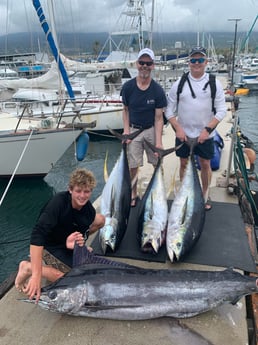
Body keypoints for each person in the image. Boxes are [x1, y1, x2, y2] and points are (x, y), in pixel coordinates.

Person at [15, 168, 105, 302]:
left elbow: (82, 231)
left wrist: (78, 244)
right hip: (48, 244)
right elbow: (37, 236)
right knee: (72, 280)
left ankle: (60, 255)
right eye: (78, 191)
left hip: (65, 241)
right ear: (70, 190)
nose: (82, 196)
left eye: (87, 191)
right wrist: (36, 275)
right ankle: (27, 268)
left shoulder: (88, 211)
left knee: (100, 220)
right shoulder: (58, 203)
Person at [165, 46, 227, 211]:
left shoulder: (214, 83)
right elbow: (169, 110)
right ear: (189, 62)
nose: (197, 63)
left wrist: (207, 130)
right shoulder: (179, 84)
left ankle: (205, 194)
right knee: (183, 163)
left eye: (200, 60)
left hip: (205, 135)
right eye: (193, 60)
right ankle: (186, 193)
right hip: (183, 133)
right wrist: (177, 128)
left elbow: (221, 110)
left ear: (206, 62)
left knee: (205, 164)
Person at [121, 47, 167, 207]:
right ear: (137, 64)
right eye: (142, 62)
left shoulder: (158, 90)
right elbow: (125, 110)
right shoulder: (127, 87)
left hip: (150, 130)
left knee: (157, 163)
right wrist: (126, 131)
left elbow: (159, 118)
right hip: (133, 131)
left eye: (148, 63)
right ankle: (134, 193)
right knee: (133, 165)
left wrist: (159, 141)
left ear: (153, 65)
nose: (145, 66)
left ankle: (157, 191)